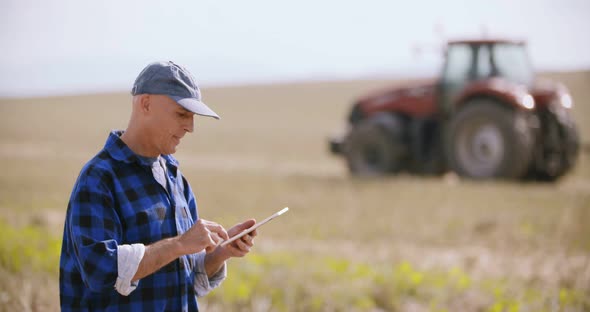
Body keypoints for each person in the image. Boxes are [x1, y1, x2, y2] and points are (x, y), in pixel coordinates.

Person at [59, 61, 257, 311]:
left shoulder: (175, 179)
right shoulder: (99, 178)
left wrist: (221, 253)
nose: (190, 127)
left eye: (193, 117)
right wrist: (179, 244)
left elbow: (184, 278)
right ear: (146, 104)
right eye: (182, 114)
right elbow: (100, 270)